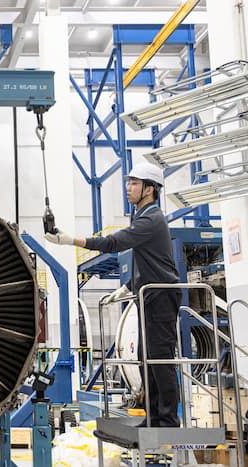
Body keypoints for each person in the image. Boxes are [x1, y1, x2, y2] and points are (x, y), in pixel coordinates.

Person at [45, 161, 181, 427]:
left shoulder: (152, 219)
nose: (128, 187)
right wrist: (126, 287)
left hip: (162, 296)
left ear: (150, 189)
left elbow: (113, 243)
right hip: (149, 295)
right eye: (128, 182)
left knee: (159, 359)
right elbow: (150, 262)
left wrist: (71, 240)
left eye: (134, 183)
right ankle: (154, 417)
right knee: (146, 358)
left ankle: (168, 420)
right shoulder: (143, 217)